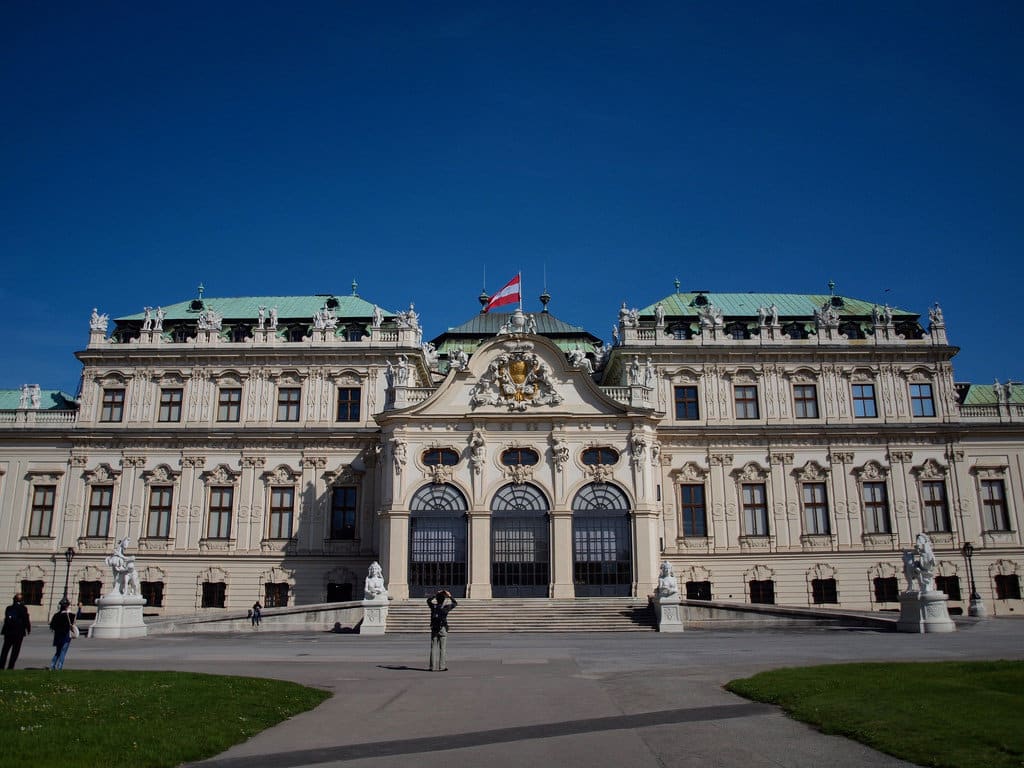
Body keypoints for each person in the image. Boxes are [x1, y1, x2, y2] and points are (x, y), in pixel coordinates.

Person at [427, 590, 457, 672]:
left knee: (433, 648)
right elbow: (455, 603)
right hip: (442, 628)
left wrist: (435, 594)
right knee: (442, 648)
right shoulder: (445, 608)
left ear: (436, 599)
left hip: (434, 628)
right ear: (444, 600)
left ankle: (432, 667)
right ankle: (442, 667)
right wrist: (450, 595)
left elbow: (428, 601)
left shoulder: (433, 607)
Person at [1, 592, 31, 669]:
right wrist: (28, 629)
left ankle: (1, 665)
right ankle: (11, 666)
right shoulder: (23, 608)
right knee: (15, 651)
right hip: (19, 632)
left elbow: (6, 619)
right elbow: (26, 620)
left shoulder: (9, 608)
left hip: (8, 631)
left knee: (5, 650)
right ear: (21, 600)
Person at [49, 598, 76, 671]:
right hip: (66, 636)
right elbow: (73, 623)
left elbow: (52, 626)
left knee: (58, 651)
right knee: (63, 652)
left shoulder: (56, 615)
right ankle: (59, 666)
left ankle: (52, 665)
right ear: (67, 606)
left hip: (58, 636)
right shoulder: (71, 615)